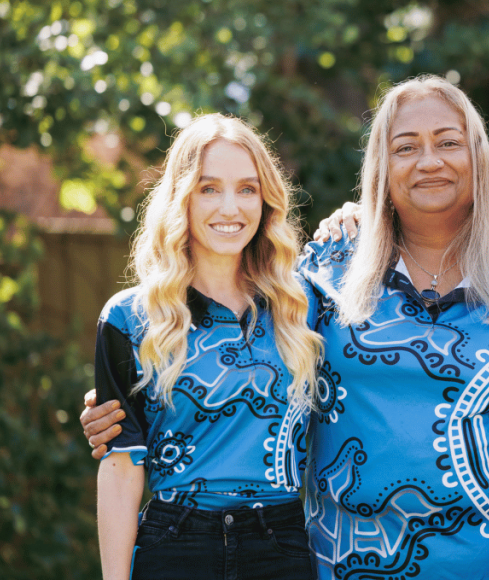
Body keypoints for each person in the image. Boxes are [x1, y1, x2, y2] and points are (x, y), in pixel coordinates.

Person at [84, 76, 489, 579]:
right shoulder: (325, 279)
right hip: (334, 563)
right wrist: (115, 408)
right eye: (406, 146)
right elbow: (132, 447)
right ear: (380, 166)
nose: (429, 160)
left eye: (448, 142)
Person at [93, 114, 322, 580]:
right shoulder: (129, 317)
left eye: (247, 189)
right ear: (183, 197)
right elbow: (120, 468)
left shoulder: (305, 305)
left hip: (281, 542)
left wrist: (353, 216)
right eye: (209, 188)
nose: (230, 208)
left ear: (266, 200)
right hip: (175, 542)